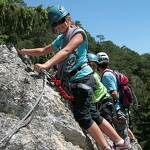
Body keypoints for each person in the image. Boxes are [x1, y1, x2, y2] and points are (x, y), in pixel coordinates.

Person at [18, 5, 131, 150]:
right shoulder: (60, 38)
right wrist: (23, 51)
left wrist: (46, 64)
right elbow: (43, 50)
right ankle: (120, 142)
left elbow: (66, 50)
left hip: (82, 79)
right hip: (77, 80)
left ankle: (105, 147)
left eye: (61, 20)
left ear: (68, 18)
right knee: (93, 114)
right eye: (55, 23)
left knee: (83, 117)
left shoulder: (78, 33)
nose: (59, 25)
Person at [96, 52, 133, 141]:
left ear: (97, 64)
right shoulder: (111, 73)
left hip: (116, 110)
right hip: (118, 109)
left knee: (122, 139)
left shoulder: (106, 75)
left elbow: (113, 93)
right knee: (122, 137)